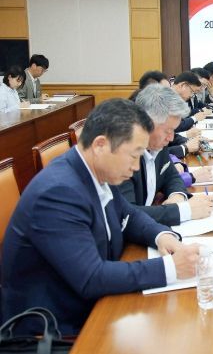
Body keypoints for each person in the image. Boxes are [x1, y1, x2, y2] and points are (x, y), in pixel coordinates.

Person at [1, 99, 200, 335]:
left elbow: (129, 215)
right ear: (100, 145)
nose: (137, 167)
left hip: (91, 304)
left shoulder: (95, 170)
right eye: (134, 155)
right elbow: (91, 278)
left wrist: (162, 236)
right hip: (52, 329)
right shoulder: (57, 193)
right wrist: (170, 268)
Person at [118, 84, 213, 226]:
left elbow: (171, 176)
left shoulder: (158, 144)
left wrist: (177, 196)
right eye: (168, 131)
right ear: (146, 123)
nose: (171, 138)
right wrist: (183, 211)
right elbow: (126, 215)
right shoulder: (122, 154)